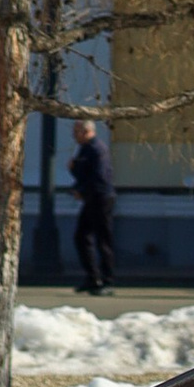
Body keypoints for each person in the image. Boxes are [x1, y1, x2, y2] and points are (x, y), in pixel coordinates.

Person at [67, 116, 115, 296]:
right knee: (82, 237)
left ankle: (107, 280)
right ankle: (93, 277)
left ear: (87, 131)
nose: (74, 136)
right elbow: (84, 174)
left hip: (101, 198)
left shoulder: (96, 149)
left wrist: (82, 190)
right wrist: (74, 171)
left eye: (76, 132)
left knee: (103, 240)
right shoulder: (86, 149)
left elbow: (100, 178)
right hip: (92, 198)